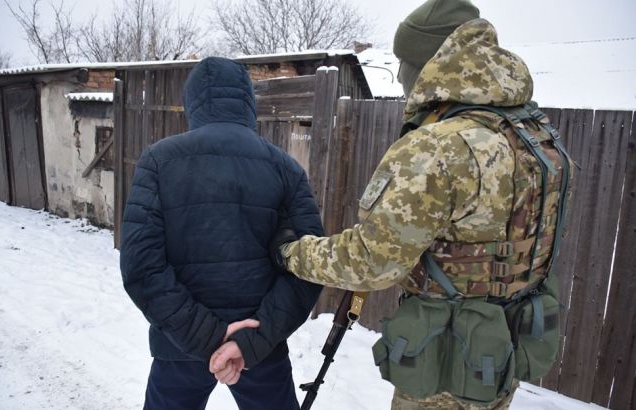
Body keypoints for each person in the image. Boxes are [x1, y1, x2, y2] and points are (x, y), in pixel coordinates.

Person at [216, 0, 573, 409]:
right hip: (501, 352)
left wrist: (289, 253)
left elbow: (370, 261)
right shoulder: (536, 136)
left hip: (446, 365)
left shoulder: (439, 147)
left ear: (426, 64)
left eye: (404, 61)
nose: (401, 74)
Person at [120, 56, 323, 410]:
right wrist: (250, 340)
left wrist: (208, 337)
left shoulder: (158, 160)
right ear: (247, 101)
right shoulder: (285, 167)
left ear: (192, 102)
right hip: (261, 346)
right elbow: (308, 266)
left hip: (180, 346)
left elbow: (141, 266)